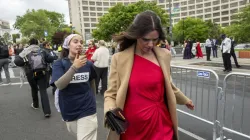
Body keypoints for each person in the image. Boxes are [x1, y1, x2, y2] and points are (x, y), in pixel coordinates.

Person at [104, 10, 194, 140]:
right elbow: (111, 93)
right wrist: (110, 112)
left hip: (161, 122)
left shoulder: (164, 55)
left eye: (155, 39)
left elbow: (168, 85)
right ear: (136, 35)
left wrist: (185, 100)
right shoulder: (119, 58)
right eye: (145, 39)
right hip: (132, 128)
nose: (151, 44)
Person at [50, 34, 98, 140]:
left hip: (88, 108)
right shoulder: (59, 64)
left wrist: (93, 100)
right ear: (67, 45)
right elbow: (59, 85)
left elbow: (92, 82)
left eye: (81, 42)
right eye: (75, 42)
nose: (79, 44)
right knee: (77, 134)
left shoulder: (88, 64)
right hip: (69, 109)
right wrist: (74, 67)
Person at [14, 38, 55, 117]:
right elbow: (50, 59)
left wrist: (25, 62)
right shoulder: (42, 50)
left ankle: (35, 105)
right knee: (43, 91)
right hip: (42, 72)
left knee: (34, 88)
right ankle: (47, 111)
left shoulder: (25, 51)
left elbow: (17, 61)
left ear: (29, 43)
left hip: (30, 73)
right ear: (37, 43)